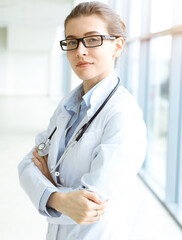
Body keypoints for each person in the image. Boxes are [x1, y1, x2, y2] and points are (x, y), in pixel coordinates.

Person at [17, 1, 147, 239]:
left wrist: (47, 191)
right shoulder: (67, 107)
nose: (80, 51)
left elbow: (90, 206)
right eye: (72, 41)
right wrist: (61, 198)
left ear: (117, 46)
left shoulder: (124, 116)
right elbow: (26, 166)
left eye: (93, 39)